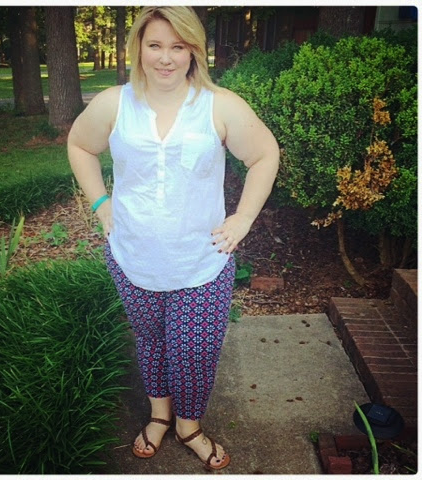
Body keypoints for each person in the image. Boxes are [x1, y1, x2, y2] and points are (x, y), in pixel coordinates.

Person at [68, 6, 279, 471]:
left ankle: (189, 426)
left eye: (178, 47)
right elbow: (80, 145)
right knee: (151, 341)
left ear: (194, 51)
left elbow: (265, 155)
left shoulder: (219, 105)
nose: (166, 58)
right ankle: (160, 416)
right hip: (133, 258)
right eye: (155, 45)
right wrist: (101, 204)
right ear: (138, 49)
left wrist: (243, 218)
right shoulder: (114, 104)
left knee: (194, 351)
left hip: (201, 261)